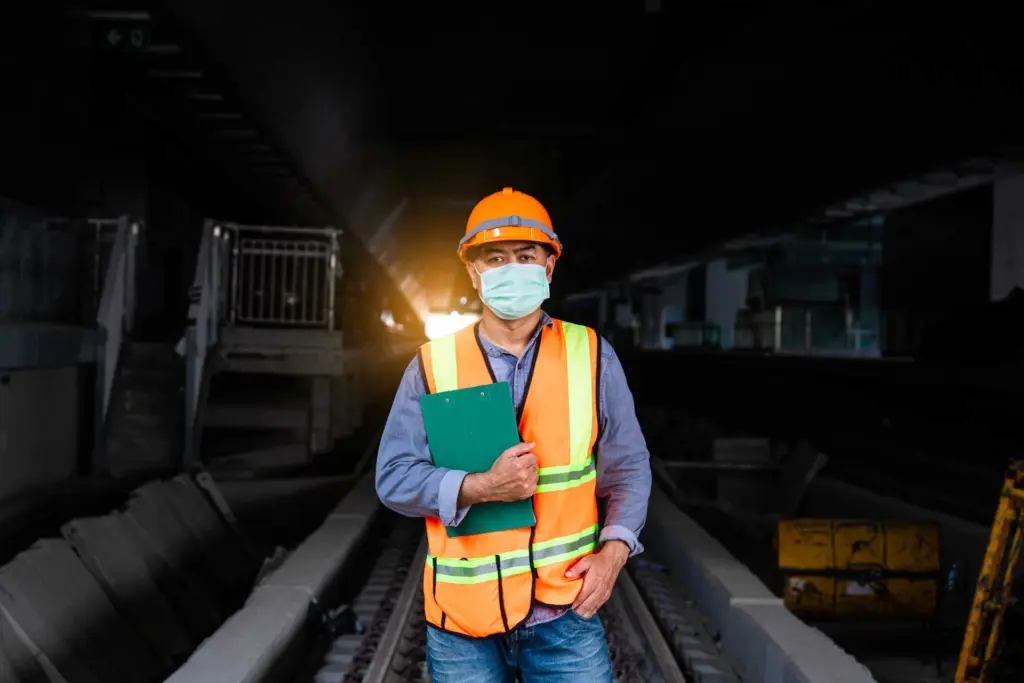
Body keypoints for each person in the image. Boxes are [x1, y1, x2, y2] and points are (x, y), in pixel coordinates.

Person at [375, 187, 652, 683]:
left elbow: (628, 465)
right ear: (473, 273)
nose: (510, 268)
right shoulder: (432, 365)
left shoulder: (590, 354)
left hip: (565, 614)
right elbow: (394, 478)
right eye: (495, 258)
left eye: (525, 256)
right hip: (463, 622)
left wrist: (614, 551)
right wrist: (479, 487)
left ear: (548, 268)